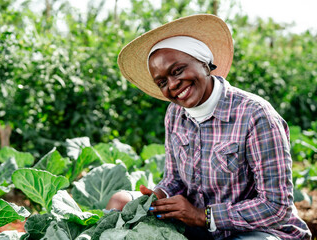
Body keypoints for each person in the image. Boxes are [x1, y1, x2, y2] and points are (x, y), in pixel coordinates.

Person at [106, 14, 312, 240]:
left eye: (177, 71)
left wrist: (204, 216)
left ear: (204, 62)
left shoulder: (256, 115)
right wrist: (158, 195)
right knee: (120, 201)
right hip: (199, 226)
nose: (173, 85)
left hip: (258, 231)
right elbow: (174, 179)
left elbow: (276, 205)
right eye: (162, 82)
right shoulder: (175, 114)